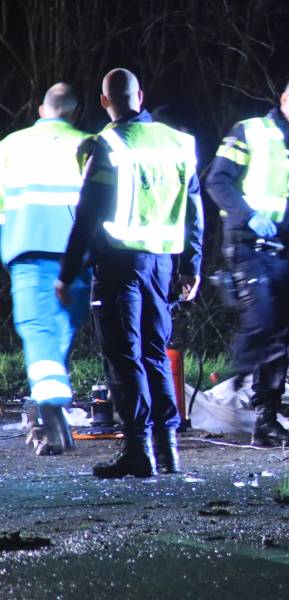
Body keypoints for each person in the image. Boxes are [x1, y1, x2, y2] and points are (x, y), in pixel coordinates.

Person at [55, 68, 204, 478]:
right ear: (141, 95)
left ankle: (138, 450)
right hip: (163, 265)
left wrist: (67, 272)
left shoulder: (108, 145)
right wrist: (192, 265)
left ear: (105, 101)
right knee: (155, 354)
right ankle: (167, 450)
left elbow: (88, 214)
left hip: (119, 265)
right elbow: (194, 209)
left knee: (124, 357)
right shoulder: (177, 142)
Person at [204, 71, 289, 447]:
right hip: (247, 245)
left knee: (278, 337)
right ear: (284, 100)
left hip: (285, 251)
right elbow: (216, 181)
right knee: (260, 321)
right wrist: (249, 216)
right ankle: (241, 374)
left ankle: (266, 420)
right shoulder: (250, 132)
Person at [0, 83, 91, 456]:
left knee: (39, 335)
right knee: (61, 334)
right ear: (75, 112)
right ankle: (50, 413)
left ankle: (51, 413)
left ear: (41, 110)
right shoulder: (88, 143)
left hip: (29, 252)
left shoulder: (11, 146)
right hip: (78, 258)